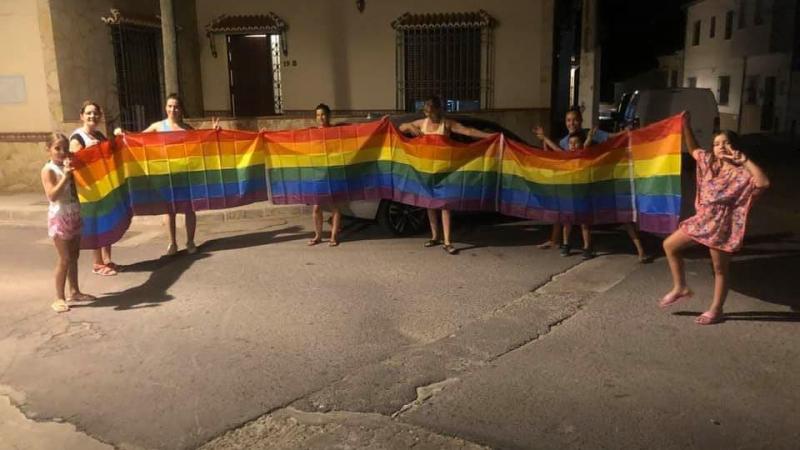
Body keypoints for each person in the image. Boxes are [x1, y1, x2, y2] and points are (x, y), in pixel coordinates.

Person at [659, 113, 769, 325]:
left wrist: (744, 161)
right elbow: (693, 150)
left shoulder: (741, 174)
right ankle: (680, 287)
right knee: (670, 245)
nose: (720, 146)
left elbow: (763, 183)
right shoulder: (709, 163)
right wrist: (685, 126)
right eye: (717, 143)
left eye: (726, 142)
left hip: (722, 225)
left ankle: (716, 310)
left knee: (720, 269)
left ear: (735, 147)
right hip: (702, 219)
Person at [398, 96, 496, 255]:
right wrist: (409, 126)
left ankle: (448, 241)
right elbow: (401, 127)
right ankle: (435, 236)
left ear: (438, 109)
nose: (428, 114)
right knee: (429, 203)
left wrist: (489, 137)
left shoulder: (447, 123)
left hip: (445, 172)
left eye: (430, 111)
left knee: (445, 205)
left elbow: (468, 131)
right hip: (426, 171)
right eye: (425, 111)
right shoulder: (421, 123)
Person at [142, 94, 218, 256]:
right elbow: (138, 139)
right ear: (165, 108)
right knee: (169, 210)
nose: (173, 110)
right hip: (166, 174)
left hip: (186, 175)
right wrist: (121, 133)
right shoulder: (158, 127)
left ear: (181, 109)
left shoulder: (188, 129)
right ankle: (172, 243)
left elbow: (202, 144)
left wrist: (213, 133)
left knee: (189, 209)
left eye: (176, 106)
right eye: (170, 106)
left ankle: (190, 241)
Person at [42, 133, 96, 312]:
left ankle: (75, 291)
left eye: (65, 148)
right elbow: (52, 195)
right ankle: (58, 297)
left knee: (74, 257)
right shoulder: (49, 169)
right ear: (48, 149)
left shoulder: (70, 166)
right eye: (57, 148)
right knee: (64, 258)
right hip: (60, 215)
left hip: (74, 212)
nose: (62, 152)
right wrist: (65, 176)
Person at [69, 101, 120, 276]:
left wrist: (118, 138)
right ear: (82, 116)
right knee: (95, 224)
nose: (93, 116)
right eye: (89, 113)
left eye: (96, 113)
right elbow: (74, 163)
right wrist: (88, 152)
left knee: (107, 221)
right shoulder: (77, 138)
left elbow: (110, 154)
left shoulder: (99, 135)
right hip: (88, 190)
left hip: (103, 186)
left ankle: (107, 260)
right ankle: (97, 263)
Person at [307, 103, 343, 247]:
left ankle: (334, 236)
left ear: (328, 116)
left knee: (334, 206)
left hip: (333, 173)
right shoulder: (312, 132)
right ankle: (318, 236)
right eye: (317, 115)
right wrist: (267, 134)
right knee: (316, 207)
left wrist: (380, 123)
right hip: (318, 173)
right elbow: (291, 136)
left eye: (323, 114)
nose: (320, 117)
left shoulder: (336, 130)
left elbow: (357, 129)